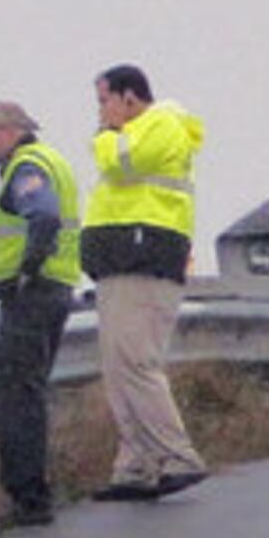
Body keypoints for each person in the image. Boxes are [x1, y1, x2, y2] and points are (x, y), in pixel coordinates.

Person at [82, 64, 208, 501]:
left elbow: (119, 163)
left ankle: (178, 455)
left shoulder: (162, 124)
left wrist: (103, 135)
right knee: (118, 367)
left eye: (104, 101)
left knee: (137, 361)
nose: (101, 112)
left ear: (129, 97)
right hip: (124, 260)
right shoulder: (143, 129)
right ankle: (136, 465)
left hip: (146, 258)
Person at [0, 100, 81, 526]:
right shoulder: (53, 160)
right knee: (30, 391)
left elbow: (45, 217)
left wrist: (24, 272)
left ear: (8, 130)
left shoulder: (27, 167)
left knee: (15, 398)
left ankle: (27, 497)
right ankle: (33, 492)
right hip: (56, 290)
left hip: (32, 295)